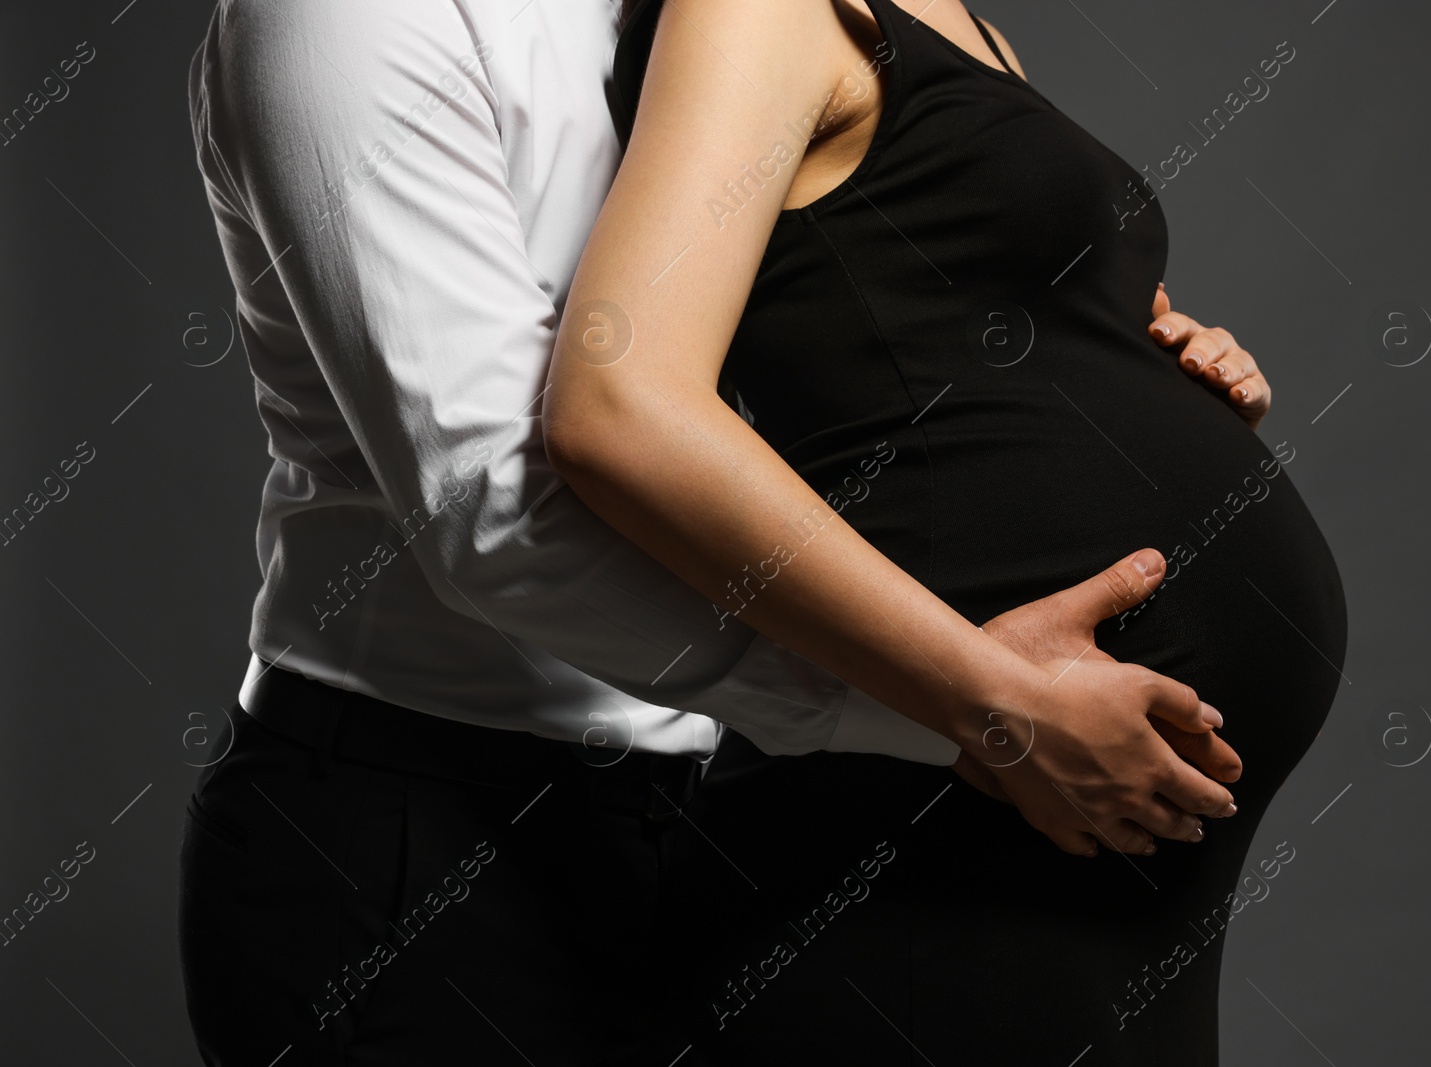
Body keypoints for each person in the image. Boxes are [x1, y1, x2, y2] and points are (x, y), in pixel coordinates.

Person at [180, 0, 1249, 1064]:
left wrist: (1111, 358)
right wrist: (970, 709)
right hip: (425, 830)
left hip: (724, 813)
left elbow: (849, 330)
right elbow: (492, 512)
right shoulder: (342, 20)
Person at [544, 0, 1348, 1062]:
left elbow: (938, 321)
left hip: (1107, 875)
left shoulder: (957, 22)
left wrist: (1148, 352)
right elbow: (615, 406)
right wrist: (997, 701)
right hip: (932, 835)